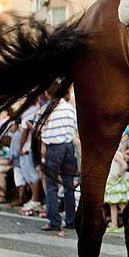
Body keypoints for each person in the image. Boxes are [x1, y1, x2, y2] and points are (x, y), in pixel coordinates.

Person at [39, 90, 79, 232]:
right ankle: (70, 220)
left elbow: (40, 131)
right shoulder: (70, 108)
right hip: (69, 147)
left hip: (53, 148)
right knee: (69, 185)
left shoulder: (46, 109)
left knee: (51, 185)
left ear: (48, 93)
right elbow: (76, 130)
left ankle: (54, 221)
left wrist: (42, 155)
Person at [104, 138, 129, 232]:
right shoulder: (113, 154)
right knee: (112, 204)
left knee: (121, 204)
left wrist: (118, 175)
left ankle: (127, 224)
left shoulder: (115, 154)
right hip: (112, 182)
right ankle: (114, 224)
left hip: (116, 182)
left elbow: (124, 165)